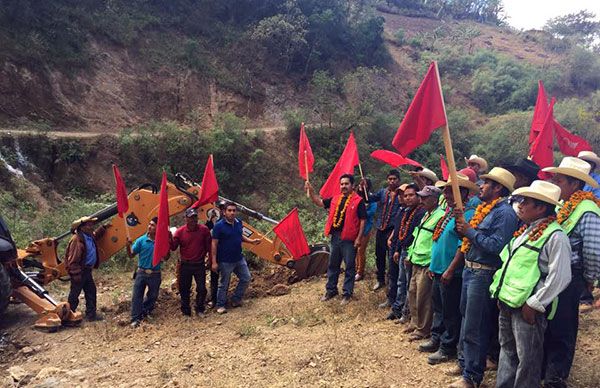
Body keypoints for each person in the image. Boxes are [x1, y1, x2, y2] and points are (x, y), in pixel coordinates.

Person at [490, 180, 572, 388]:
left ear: (541, 207)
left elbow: (560, 276)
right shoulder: (526, 231)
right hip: (509, 302)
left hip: (527, 307)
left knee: (528, 360)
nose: (520, 205)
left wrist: (535, 303)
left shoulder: (555, 236)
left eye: (526, 202)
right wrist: (500, 293)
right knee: (507, 353)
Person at [451, 167, 519, 388]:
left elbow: (497, 246)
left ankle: (472, 376)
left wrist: (470, 231)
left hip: (484, 273)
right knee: (466, 319)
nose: (480, 186)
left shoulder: (505, 214)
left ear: (498, 187)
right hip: (471, 270)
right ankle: (464, 364)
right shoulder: (485, 208)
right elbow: (470, 238)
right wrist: (462, 227)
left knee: (475, 325)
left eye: (486, 183)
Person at [541, 157, 600, 387]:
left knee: (563, 327)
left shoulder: (588, 210)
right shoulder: (564, 205)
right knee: (549, 322)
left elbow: (594, 251)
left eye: (560, 180)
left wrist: (588, 280)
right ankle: (545, 368)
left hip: (571, 276)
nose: (556, 183)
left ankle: (556, 376)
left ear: (575, 185)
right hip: (554, 272)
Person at [423, 174, 479, 366]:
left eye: (449, 190)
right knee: (439, 307)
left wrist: (450, 269)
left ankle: (448, 347)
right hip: (438, 269)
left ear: (462, 192)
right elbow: (438, 239)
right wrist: (433, 265)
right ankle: (436, 338)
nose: (445, 194)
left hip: (451, 273)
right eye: (445, 190)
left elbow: (462, 245)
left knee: (450, 312)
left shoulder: (467, 214)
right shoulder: (449, 212)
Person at [306, 174, 367, 305]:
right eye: (342, 184)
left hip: (349, 239)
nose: (343, 186)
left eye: (346, 184)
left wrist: (359, 238)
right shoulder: (335, 199)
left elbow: (363, 221)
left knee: (350, 266)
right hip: (335, 237)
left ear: (352, 185)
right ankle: (331, 290)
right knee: (333, 265)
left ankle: (347, 293)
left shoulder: (358, 201)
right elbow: (319, 202)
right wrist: (311, 191)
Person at [405, 186, 445, 341]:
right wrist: (410, 254)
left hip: (426, 262)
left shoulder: (440, 216)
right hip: (416, 260)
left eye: (425, 198)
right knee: (412, 292)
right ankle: (415, 323)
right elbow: (417, 236)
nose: (421, 200)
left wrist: (433, 264)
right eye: (421, 197)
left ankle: (423, 329)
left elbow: (437, 242)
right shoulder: (426, 215)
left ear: (434, 199)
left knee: (424, 297)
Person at [211, 202, 260, 314]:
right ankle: (220, 305)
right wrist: (214, 262)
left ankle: (236, 299)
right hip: (225, 260)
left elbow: (239, 235)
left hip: (239, 258)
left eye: (234, 210)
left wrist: (251, 241)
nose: (232, 212)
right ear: (224, 212)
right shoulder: (219, 226)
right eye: (229, 210)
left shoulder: (238, 223)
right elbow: (214, 244)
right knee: (224, 283)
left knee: (246, 278)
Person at [388, 184, 425, 321]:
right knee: (401, 281)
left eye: (411, 195)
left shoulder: (421, 213)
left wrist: (406, 251)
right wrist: (398, 249)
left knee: (409, 283)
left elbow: (413, 235)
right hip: (403, 250)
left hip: (412, 252)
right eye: (406, 196)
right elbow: (399, 232)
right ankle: (398, 308)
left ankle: (406, 312)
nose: (408, 198)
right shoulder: (405, 211)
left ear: (418, 196)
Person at [363, 170, 402, 291]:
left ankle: (392, 282)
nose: (392, 181)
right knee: (379, 255)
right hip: (380, 227)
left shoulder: (402, 193)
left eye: (394, 179)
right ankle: (380, 279)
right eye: (389, 179)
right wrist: (364, 188)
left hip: (393, 229)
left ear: (399, 180)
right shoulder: (383, 192)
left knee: (392, 258)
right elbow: (369, 199)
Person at [126, 217, 167, 327]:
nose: (149, 227)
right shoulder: (141, 240)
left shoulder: (161, 241)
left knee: (153, 296)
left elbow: (166, 257)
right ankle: (135, 318)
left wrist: (168, 242)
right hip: (141, 273)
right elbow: (131, 255)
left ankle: (144, 312)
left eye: (153, 225)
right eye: (149, 224)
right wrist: (127, 245)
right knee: (137, 296)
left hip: (155, 273)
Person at [65, 216, 108, 321]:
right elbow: (73, 260)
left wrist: (103, 228)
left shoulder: (88, 236)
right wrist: (76, 274)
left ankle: (91, 315)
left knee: (91, 291)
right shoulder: (77, 240)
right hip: (80, 271)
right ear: (82, 227)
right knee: (75, 294)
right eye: (89, 224)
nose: (91, 226)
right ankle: (68, 316)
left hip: (87, 271)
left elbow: (96, 235)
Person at [171, 208, 212, 317]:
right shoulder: (179, 232)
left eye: (195, 217)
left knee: (202, 288)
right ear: (186, 219)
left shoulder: (204, 230)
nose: (193, 220)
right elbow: (173, 247)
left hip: (199, 264)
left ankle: (199, 308)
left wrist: (211, 260)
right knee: (184, 289)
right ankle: (185, 310)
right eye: (190, 217)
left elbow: (209, 247)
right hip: (185, 265)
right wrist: (168, 237)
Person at [205, 200, 227, 308]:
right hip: (214, 254)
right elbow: (207, 232)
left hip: (225, 255)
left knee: (225, 278)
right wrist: (210, 220)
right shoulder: (212, 223)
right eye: (221, 208)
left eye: (224, 208)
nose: (223, 210)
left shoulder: (228, 223)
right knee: (214, 278)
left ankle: (222, 299)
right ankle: (214, 299)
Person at [355, 178, 377, 281]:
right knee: (354, 250)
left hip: (366, 228)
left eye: (364, 184)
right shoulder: (356, 197)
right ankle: (355, 269)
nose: (361, 186)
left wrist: (362, 211)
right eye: (360, 184)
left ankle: (360, 272)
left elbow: (372, 212)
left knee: (361, 250)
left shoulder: (371, 197)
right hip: (355, 227)